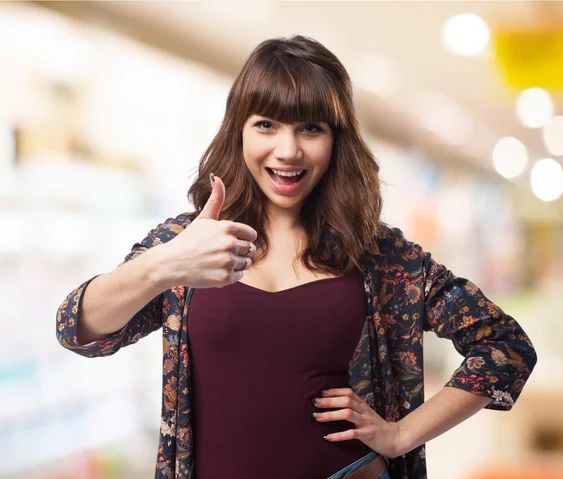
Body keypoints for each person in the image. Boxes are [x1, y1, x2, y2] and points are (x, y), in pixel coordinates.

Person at [56, 35, 538, 479]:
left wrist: (401, 434)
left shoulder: (379, 257)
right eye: (266, 125)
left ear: (337, 139)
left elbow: (505, 347)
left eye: (310, 128)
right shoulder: (191, 241)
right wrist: (163, 265)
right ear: (239, 132)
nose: (288, 151)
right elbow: (77, 330)